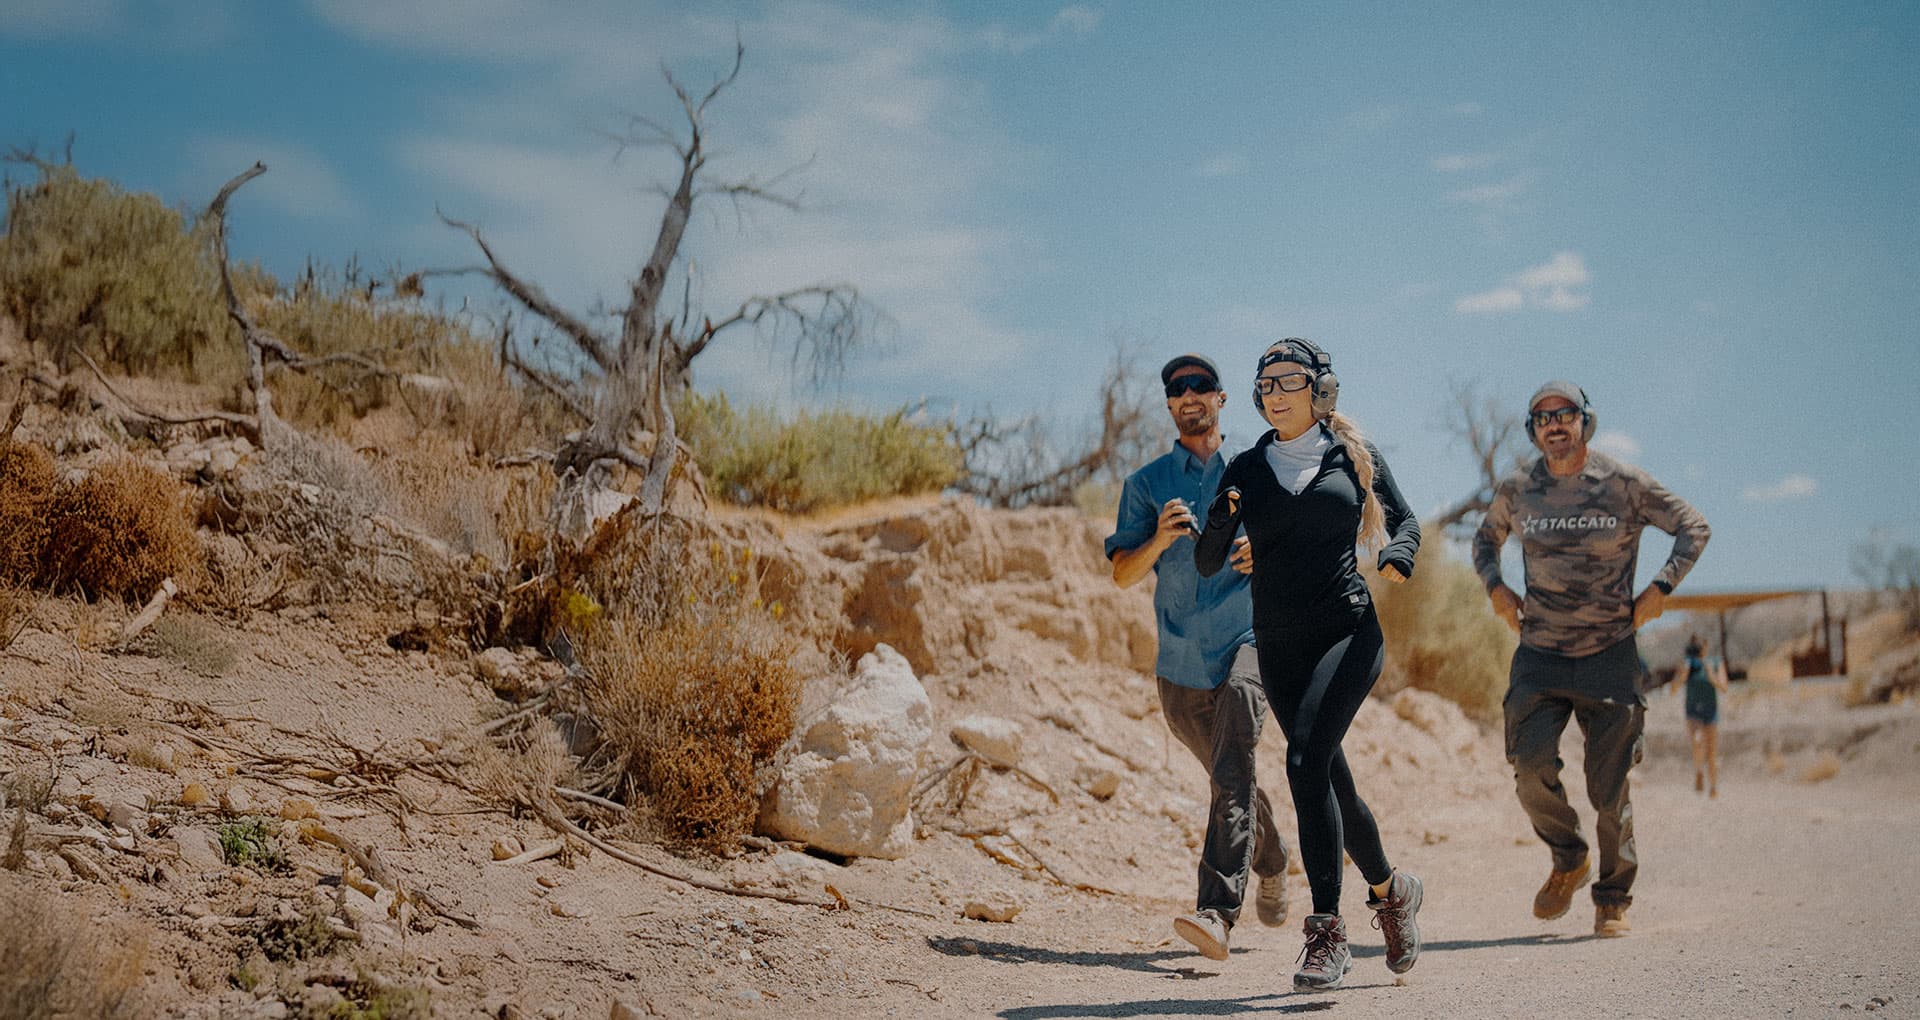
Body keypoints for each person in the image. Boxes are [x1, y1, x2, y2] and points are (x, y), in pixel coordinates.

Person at [1194, 338, 1424, 991]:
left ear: (1321, 390)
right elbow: (1207, 561)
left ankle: (1326, 934)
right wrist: (1223, 518)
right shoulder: (1246, 467)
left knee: (1302, 763)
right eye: (1265, 383)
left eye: (1288, 380)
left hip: (1348, 634)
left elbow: (1407, 522)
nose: (1275, 393)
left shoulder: (1353, 454)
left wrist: (1398, 555)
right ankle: (1393, 891)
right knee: (1330, 782)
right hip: (1280, 645)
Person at [1472, 381, 1711, 938]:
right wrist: (1496, 589)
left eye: (1565, 414)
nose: (1554, 424)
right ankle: (1568, 856)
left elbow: (1693, 527)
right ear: (1533, 431)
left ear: (1585, 421)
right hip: (1540, 654)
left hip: (1609, 653)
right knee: (1529, 766)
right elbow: (1485, 541)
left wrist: (1661, 588)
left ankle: (1613, 898)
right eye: (1542, 418)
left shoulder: (1623, 483)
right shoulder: (1518, 488)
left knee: (1609, 789)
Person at [1106, 353, 1294, 963]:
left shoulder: (1260, 470)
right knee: (1229, 777)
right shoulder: (1146, 484)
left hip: (1250, 642)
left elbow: (1301, 543)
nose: (1189, 394)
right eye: (1177, 387)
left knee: (1232, 768)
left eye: (1201, 385)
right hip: (1180, 667)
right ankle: (1273, 857)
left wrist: (1267, 551)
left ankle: (1216, 911)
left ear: (1221, 398)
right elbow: (1121, 574)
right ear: (1169, 404)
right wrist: (1159, 538)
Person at [1681, 634, 1730, 797]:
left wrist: (1711, 675)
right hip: (1693, 711)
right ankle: (1698, 771)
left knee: (1711, 751)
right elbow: (1679, 680)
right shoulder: (1689, 663)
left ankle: (1713, 785)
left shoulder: (1716, 662)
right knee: (1697, 740)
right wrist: (1684, 669)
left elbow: (1724, 687)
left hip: (1710, 711)